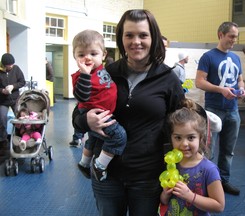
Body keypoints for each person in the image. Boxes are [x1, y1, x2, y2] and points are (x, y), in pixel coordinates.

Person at [72, 9, 185, 216]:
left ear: (153, 37)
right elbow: (78, 114)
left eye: (143, 35)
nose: (136, 41)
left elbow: (180, 123)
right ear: (121, 39)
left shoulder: (168, 79)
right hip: (106, 173)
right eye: (129, 35)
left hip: (147, 176)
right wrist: (85, 120)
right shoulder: (106, 72)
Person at [195, 21, 245, 196]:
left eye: (236, 37)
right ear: (220, 35)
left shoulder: (237, 58)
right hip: (214, 110)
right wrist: (221, 90)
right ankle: (205, 184)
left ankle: (223, 182)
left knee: (228, 151)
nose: (234, 40)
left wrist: (242, 88)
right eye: (231, 36)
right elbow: (199, 82)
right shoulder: (208, 57)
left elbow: (239, 79)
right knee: (208, 150)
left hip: (233, 110)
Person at [71, 29, 127, 181]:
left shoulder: (104, 70)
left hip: (103, 113)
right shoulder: (81, 75)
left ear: (103, 55)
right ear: (75, 57)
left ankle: (84, 163)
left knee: (94, 139)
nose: (87, 58)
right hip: (95, 114)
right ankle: (100, 166)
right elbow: (81, 96)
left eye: (93, 54)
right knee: (119, 136)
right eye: (81, 55)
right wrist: (84, 74)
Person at [160, 98, 225, 215]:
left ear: (201, 138)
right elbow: (164, 201)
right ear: (171, 138)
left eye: (190, 138)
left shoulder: (208, 169)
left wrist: (190, 196)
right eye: (178, 138)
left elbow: (219, 206)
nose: (184, 144)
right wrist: (165, 194)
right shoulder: (171, 164)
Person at [0, 53, 26, 153]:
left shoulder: (16, 69)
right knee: (2, 120)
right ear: (4, 65)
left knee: (21, 118)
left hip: (15, 99)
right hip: (3, 100)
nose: (11, 66)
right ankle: (3, 141)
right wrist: (2, 91)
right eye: (9, 65)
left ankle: (21, 138)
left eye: (12, 64)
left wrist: (13, 86)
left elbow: (22, 82)